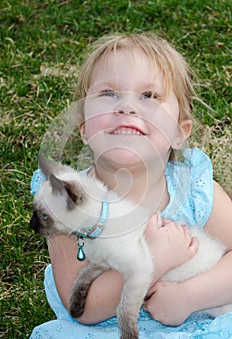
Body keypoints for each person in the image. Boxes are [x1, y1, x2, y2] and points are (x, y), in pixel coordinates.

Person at [30, 33, 232, 338]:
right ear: (83, 128)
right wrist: (156, 260)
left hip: (205, 323)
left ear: (180, 132)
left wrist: (189, 297)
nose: (126, 106)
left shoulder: (194, 189)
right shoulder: (66, 201)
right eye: (109, 93)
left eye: (149, 96)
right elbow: (84, 308)